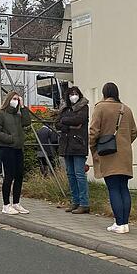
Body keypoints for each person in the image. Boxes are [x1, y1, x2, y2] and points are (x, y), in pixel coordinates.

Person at [89, 82, 137, 234]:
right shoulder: (126, 109)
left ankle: (118, 223)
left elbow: (93, 131)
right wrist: (124, 142)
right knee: (123, 188)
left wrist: (93, 145)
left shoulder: (100, 107)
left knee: (113, 188)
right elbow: (134, 132)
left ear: (104, 93)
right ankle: (125, 223)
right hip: (125, 154)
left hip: (108, 152)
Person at [0, 91, 31, 215]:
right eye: (13, 98)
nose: (15, 101)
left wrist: (23, 107)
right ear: (8, 99)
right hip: (7, 148)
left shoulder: (17, 115)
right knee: (9, 176)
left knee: (19, 175)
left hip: (18, 148)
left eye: (17, 99)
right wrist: (10, 139)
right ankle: (6, 205)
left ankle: (16, 202)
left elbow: (27, 122)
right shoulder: (0, 114)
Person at [56, 86, 90, 214]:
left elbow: (79, 120)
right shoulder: (65, 108)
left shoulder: (83, 107)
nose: (73, 96)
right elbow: (57, 123)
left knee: (79, 174)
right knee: (70, 174)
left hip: (78, 144)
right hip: (66, 145)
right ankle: (75, 201)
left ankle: (84, 203)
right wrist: (69, 125)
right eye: (71, 94)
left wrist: (65, 122)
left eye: (75, 94)